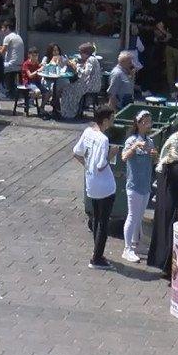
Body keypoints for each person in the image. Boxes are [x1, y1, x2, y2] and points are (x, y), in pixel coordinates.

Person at [73, 107, 120, 270]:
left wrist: (87, 166)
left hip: (91, 182)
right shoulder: (103, 139)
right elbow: (101, 165)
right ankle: (97, 257)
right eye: (112, 118)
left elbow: (76, 152)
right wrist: (111, 154)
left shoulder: (87, 132)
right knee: (103, 221)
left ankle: (97, 252)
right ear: (105, 121)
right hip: (104, 186)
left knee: (96, 218)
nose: (113, 121)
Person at [146, 130, 178, 277]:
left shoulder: (164, 162)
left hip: (162, 205)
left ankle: (162, 264)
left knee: (163, 233)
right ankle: (172, 268)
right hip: (175, 205)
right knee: (174, 237)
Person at [120, 110, 156, 263]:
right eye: (146, 122)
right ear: (139, 123)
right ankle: (127, 249)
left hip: (145, 184)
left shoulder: (150, 141)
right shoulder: (132, 140)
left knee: (139, 216)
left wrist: (154, 155)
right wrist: (134, 147)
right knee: (132, 216)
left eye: (150, 121)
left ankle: (135, 244)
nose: (148, 124)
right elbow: (123, 157)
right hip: (134, 185)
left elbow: (154, 162)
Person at [0, 21, 23, 97]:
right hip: (19, 64)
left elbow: (1, 52)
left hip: (11, 64)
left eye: (2, 28)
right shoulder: (17, 36)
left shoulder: (7, 37)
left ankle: (3, 92)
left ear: (7, 28)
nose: (1, 30)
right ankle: (11, 89)